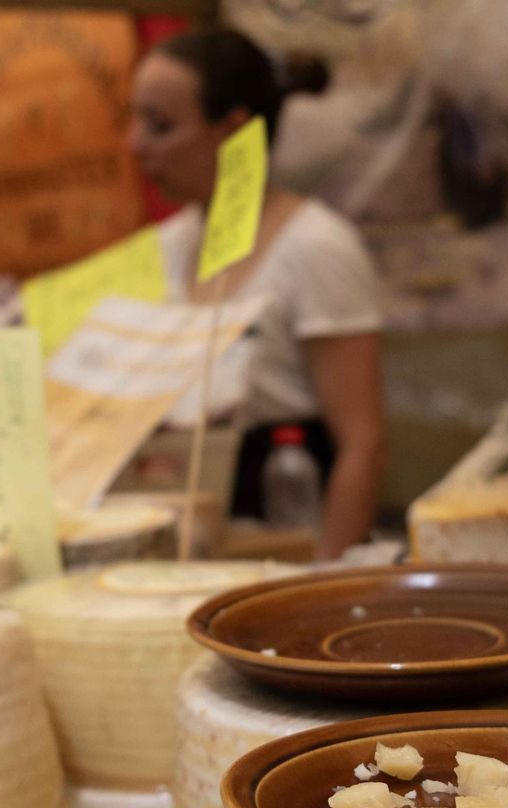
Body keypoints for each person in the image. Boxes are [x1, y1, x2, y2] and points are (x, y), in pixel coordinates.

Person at [129, 27, 386, 560]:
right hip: (188, 542)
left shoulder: (316, 248)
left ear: (233, 130)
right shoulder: (163, 248)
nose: (137, 144)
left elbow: (363, 443)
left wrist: (327, 583)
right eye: (133, 119)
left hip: (284, 528)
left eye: (160, 125)